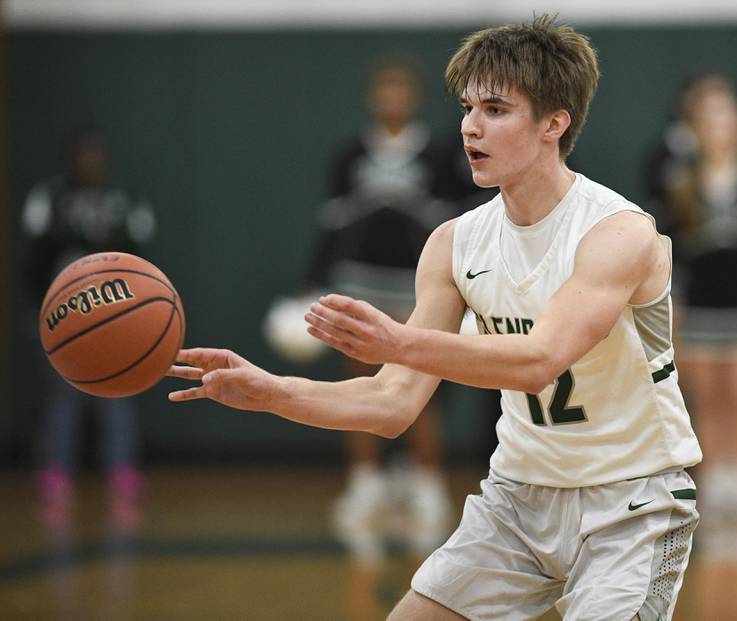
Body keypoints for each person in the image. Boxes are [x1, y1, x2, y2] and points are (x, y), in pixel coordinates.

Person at [169, 15, 702, 620]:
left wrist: (398, 341)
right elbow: (392, 405)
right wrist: (270, 391)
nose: (470, 127)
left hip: (630, 503)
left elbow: (538, 361)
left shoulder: (618, 233)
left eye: (496, 110)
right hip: (518, 501)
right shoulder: (455, 243)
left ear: (555, 122)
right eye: (468, 107)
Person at [279, 59, 455, 561]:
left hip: (417, 285)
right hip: (359, 281)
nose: (392, 98)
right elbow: (331, 223)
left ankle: (427, 485)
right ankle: (365, 483)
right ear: (374, 97)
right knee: (359, 381)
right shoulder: (350, 154)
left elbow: (453, 220)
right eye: (385, 89)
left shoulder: (440, 154)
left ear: (414, 97)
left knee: (420, 386)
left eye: (401, 89)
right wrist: (311, 281)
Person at [644, 74, 737, 561]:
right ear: (696, 127)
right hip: (698, 300)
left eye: (727, 116)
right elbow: (673, 246)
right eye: (709, 118)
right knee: (706, 399)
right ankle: (713, 484)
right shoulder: (678, 180)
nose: (719, 126)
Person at [21, 125, 155, 532]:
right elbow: (32, 261)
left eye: (97, 155)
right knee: (62, 395)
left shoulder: (125, 201)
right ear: (72, 158)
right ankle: (57, 474)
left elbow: (140, 259)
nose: (90, 162)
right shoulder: (51, 199)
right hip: (64, 316)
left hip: (115, 315)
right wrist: (36, 308)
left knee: (117, 392)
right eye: (84, 155)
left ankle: (123, 474)